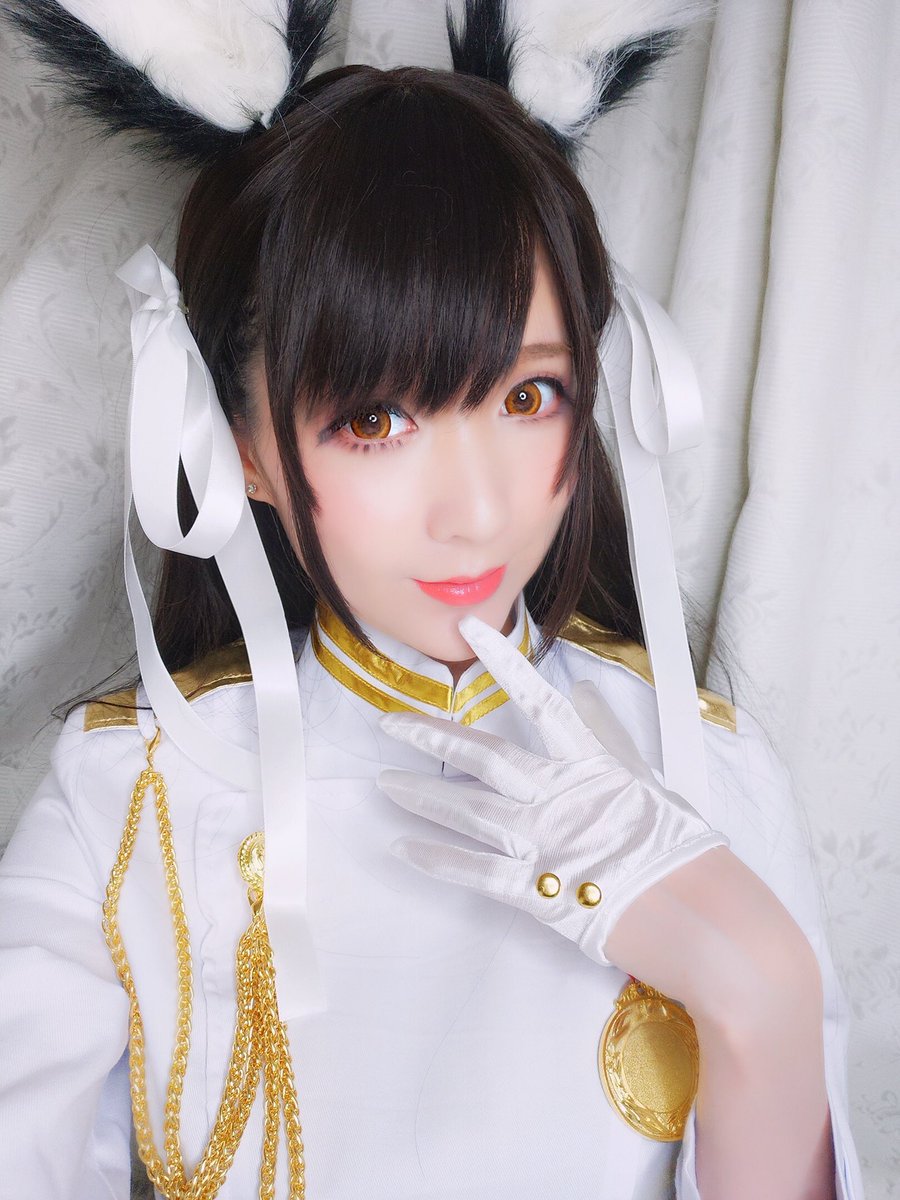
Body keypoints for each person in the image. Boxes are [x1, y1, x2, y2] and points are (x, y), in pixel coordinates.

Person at [0, 3, 864, 1199]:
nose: (475, 512)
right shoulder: (133, 792)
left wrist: (763, 990)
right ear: (239, 447)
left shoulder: (706, 767)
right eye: (377, 419)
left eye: (527, 398)